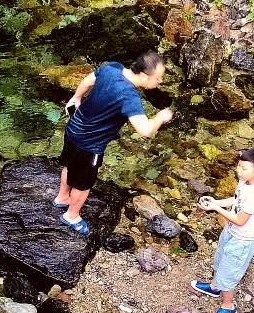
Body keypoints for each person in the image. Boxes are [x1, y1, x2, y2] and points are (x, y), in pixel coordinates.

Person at [55, 52, 173, 236]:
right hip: (90, 145)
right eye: (158, 78)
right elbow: (144, 130)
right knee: (83, 184)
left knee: (70, 166)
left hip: (73, 129)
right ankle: (72, 215)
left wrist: (76, 98)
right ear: (143, 75)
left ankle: (62, 197)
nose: (160, 81)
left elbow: (87, 81)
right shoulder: (130, 97)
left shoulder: (112, 67)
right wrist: (160, 117)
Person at [191, 147, 254, 313]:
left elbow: (240, 220)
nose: (239, 171)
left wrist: (216, 208)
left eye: (244, 168)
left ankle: (228, 306)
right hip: (230, 231)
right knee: (220, 260)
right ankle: (213, 287)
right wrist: (216, 201)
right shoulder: (246, 181)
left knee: (229, 272)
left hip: (243, 239)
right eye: (239, 166)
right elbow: (236, 200)